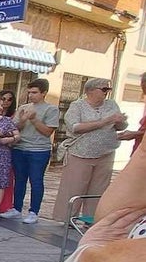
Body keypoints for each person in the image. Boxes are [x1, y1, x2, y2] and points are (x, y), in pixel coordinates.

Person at [53, 77, 128, 222]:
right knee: (74, 187)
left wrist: (120, 122)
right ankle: (68, 219)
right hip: (80, 153)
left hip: (106, 153)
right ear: (90, 91)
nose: (107, 92)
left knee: (99, 189)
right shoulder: (77, 106)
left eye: (108, 89)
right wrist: (106, 121)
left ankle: (91, 219)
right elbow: (75, 127)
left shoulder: (111, 104)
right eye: (104, 89)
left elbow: (120, 126)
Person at [10, 79, 59, 224]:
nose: (31, 95)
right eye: (29, 92)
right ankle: (16, 208)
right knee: (19, 179)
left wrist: (34, 119)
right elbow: (14, 128)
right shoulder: (23, 107)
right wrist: (22, 120)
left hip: (39, 150)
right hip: (20, 148)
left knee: (36, 180)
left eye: (34, 92)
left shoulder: (51, 109)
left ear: (44, 93)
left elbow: (47, 132)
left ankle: (33, 212)